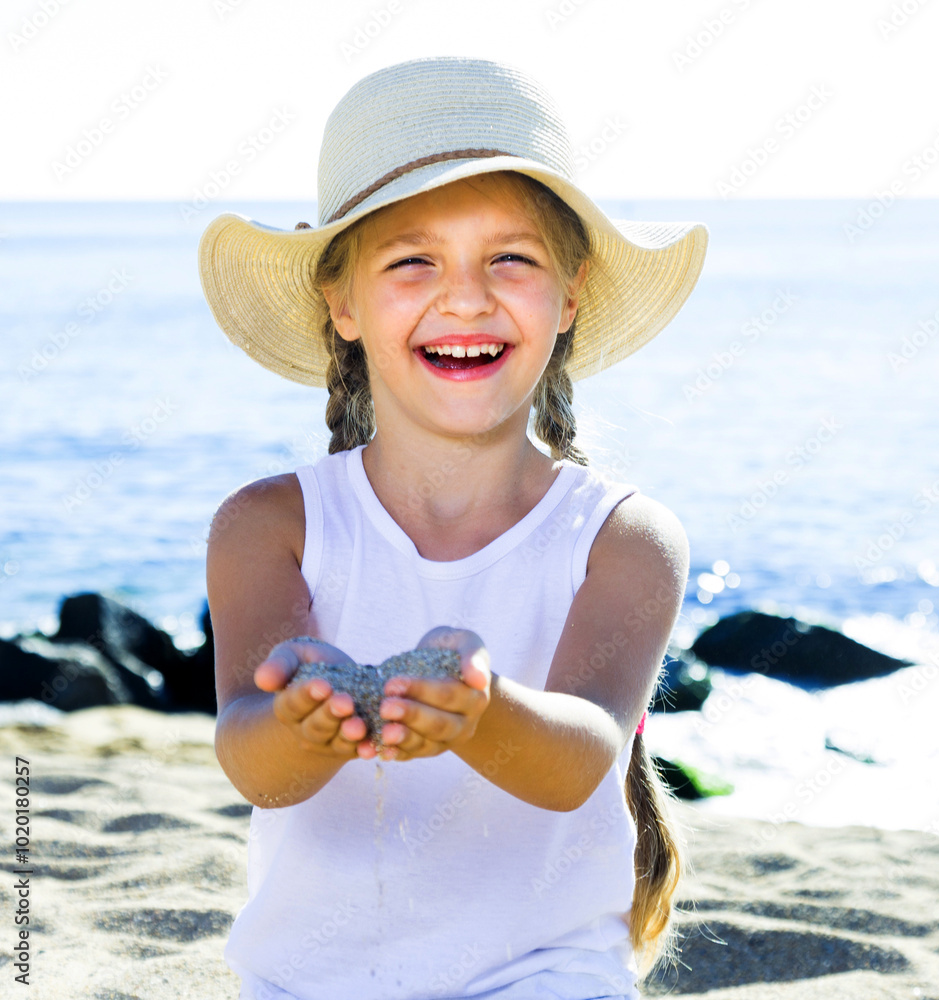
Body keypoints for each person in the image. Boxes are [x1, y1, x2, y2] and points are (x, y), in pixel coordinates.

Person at [200, 57, 708, 1000]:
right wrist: (304, 724)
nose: (466, 298)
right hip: (305, 979)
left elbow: (580, 763)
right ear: (342, 303)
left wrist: (480, 710)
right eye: (412, 261)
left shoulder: (623, 538)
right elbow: (255, 767)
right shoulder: (268, 525)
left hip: (543, 975)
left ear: (570, 295)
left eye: (509, 258)